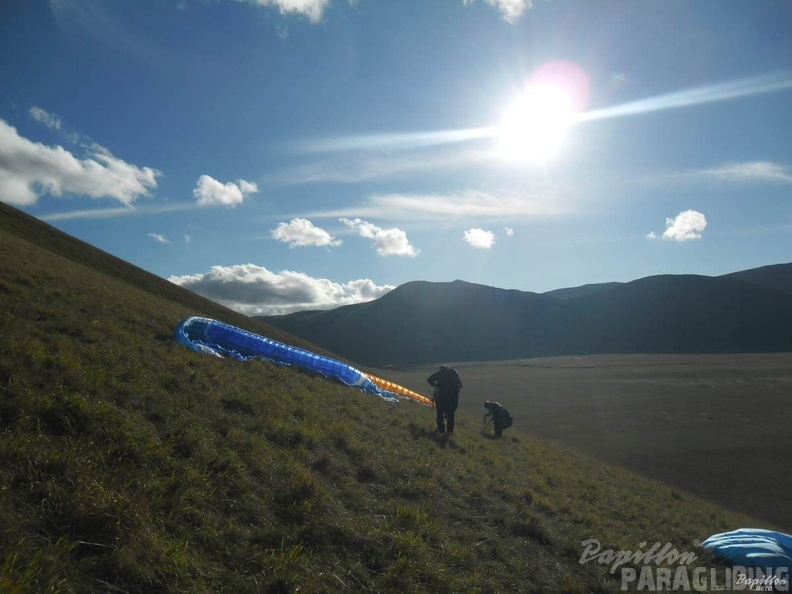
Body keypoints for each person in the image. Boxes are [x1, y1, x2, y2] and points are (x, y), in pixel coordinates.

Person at [427, 365, 463, 434]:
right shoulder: (453, 373)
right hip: (452, 398)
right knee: (451, 415)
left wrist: (437, 385)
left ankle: (441, 431)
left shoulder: (439, 374)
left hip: (441, 397)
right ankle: (450, 432)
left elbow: (429, 379)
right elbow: (460, 385)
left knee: (440, 414)